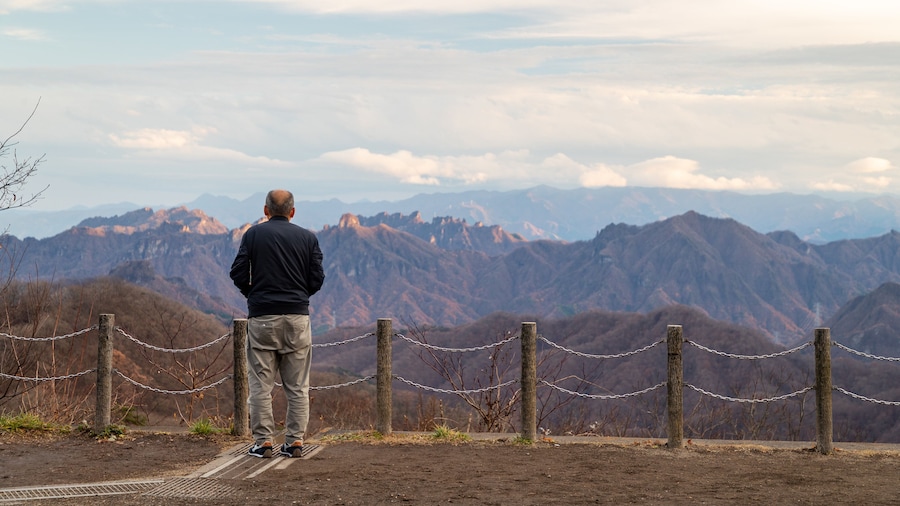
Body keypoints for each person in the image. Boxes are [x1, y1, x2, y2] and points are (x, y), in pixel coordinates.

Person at [230, 189, 325, 458]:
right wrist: (299, 297)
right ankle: (295, 442)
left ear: (266, 210)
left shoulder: (253, 235)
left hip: (262, 318)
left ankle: (263, 443)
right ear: (293, 212)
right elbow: (317, 278)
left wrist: (254, 295)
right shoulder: (308, 238)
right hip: (297, 318)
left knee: (261, 385)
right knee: (297, 387)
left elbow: (237, 272)